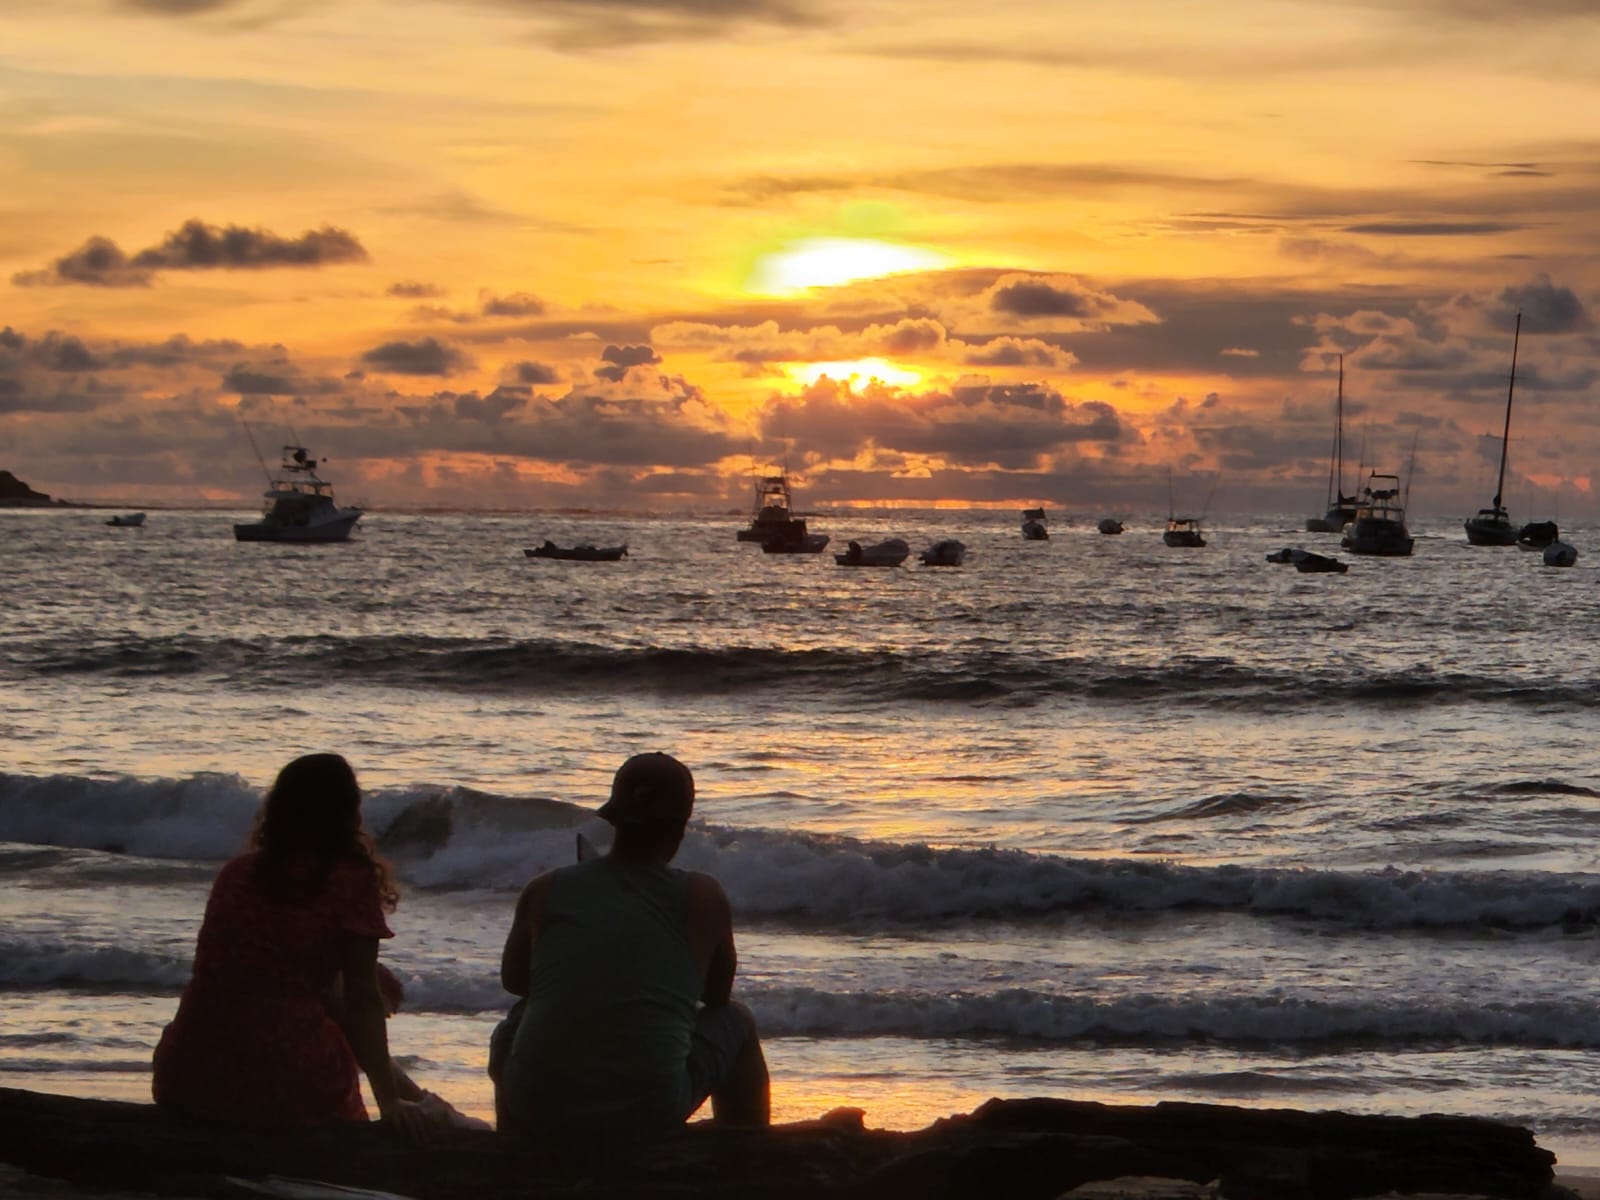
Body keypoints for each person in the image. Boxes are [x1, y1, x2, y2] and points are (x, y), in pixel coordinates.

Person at [152, 753, 437, 1142]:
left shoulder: (238, 873)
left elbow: (262, 963)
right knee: (337, 1011)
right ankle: (412, 1099)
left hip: (191, 1072)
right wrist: (388, 1102)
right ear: (347, 812)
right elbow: (361, 1000)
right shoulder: (349, 880)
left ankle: (416, 1096)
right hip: (285, 1084)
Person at [495, 752, 769, 1144]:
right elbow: (717, 995)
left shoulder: (545, 888)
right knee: (737, 1021)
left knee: (514, 1024)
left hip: (538, 1105)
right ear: (680, 828)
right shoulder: (703, 895)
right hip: (646, 1111)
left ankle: (515, 1144)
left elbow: (516, 981)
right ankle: (748, 1149)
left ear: (613, 819)